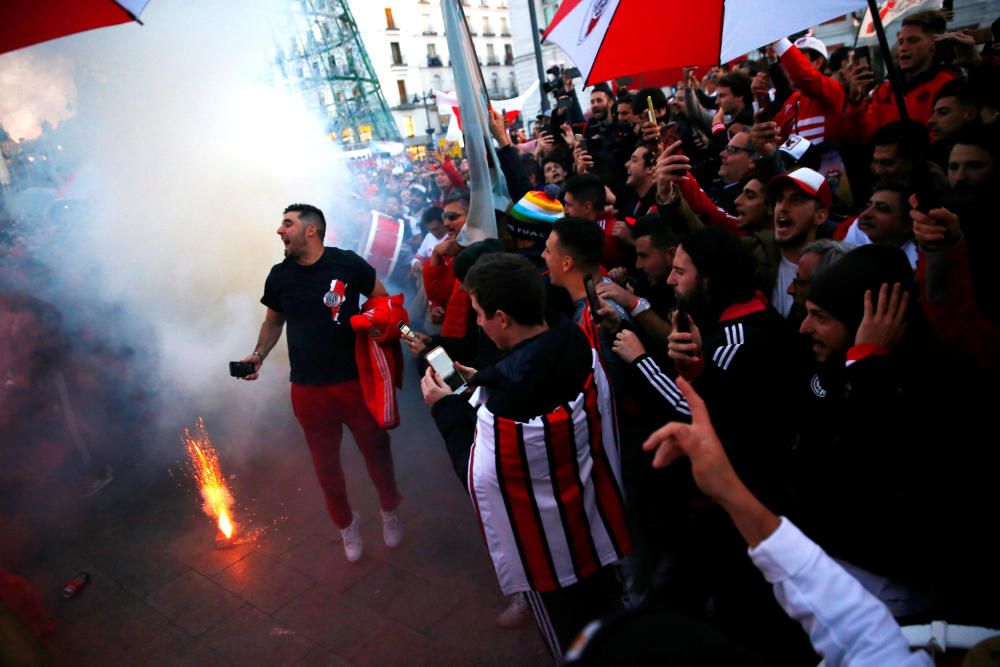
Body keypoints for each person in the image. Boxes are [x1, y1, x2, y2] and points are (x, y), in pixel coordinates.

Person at [420, 253, 632, 662]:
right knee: (613, 616)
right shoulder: (573, 339)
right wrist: (479, 380)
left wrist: (445, 408)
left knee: (572, 643)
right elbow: (525, 369)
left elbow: (479, 478)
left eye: (480, 314)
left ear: (501, 317)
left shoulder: (505, 412)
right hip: (597, 520)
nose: (478, 323)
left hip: (553, 557)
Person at [238, 203, 403, 563]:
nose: (279, 231)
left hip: (354, 381)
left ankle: (389, 509)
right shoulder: (279, 275)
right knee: (324, 463)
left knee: (376, 448)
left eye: (287, 224)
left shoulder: (347, 263)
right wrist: (258, 355)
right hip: (308, 388)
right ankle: (346, 524)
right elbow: (273, 322)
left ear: (311, 230)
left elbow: (381, 296)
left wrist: (376, 320)